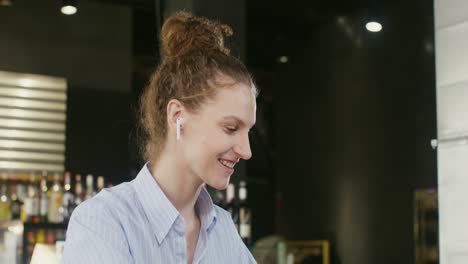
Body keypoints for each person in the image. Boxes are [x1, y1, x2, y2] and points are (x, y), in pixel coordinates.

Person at [62, 11, 258, 264]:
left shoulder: (224, 233)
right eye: (231, 128)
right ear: (178, 116)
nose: (246, 150)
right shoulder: (103, 221)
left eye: (248, 131)